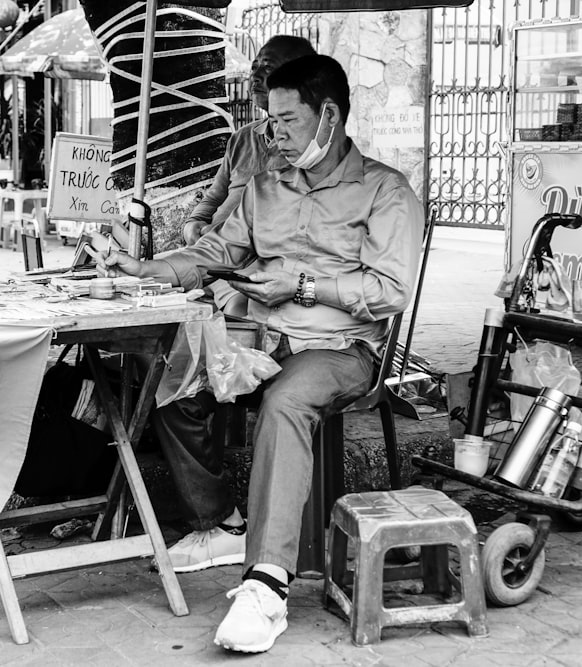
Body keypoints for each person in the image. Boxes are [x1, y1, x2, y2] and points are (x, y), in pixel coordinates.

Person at [99, 54, 425, 653]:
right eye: (269, 120)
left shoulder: (384, 190)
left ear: (329, 115)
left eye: (286, 120)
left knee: (285, 402)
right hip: (262, 334)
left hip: (340, 346)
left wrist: (301, 287)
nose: (273, 133)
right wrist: (149, 269)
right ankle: (220, 519)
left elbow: (389, 291)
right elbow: (217, 248)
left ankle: (266, 585)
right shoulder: (266, 187)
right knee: (169, 375)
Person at [180, 35, 315, 317]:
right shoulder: (242, 139)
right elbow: (214, 197)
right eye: (254, 67)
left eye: (267, 68)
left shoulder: (311, 147)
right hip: (207, 257)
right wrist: (193, 225)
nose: (255, 75)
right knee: (136, 290)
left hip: (247, 268)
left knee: (241, 315)